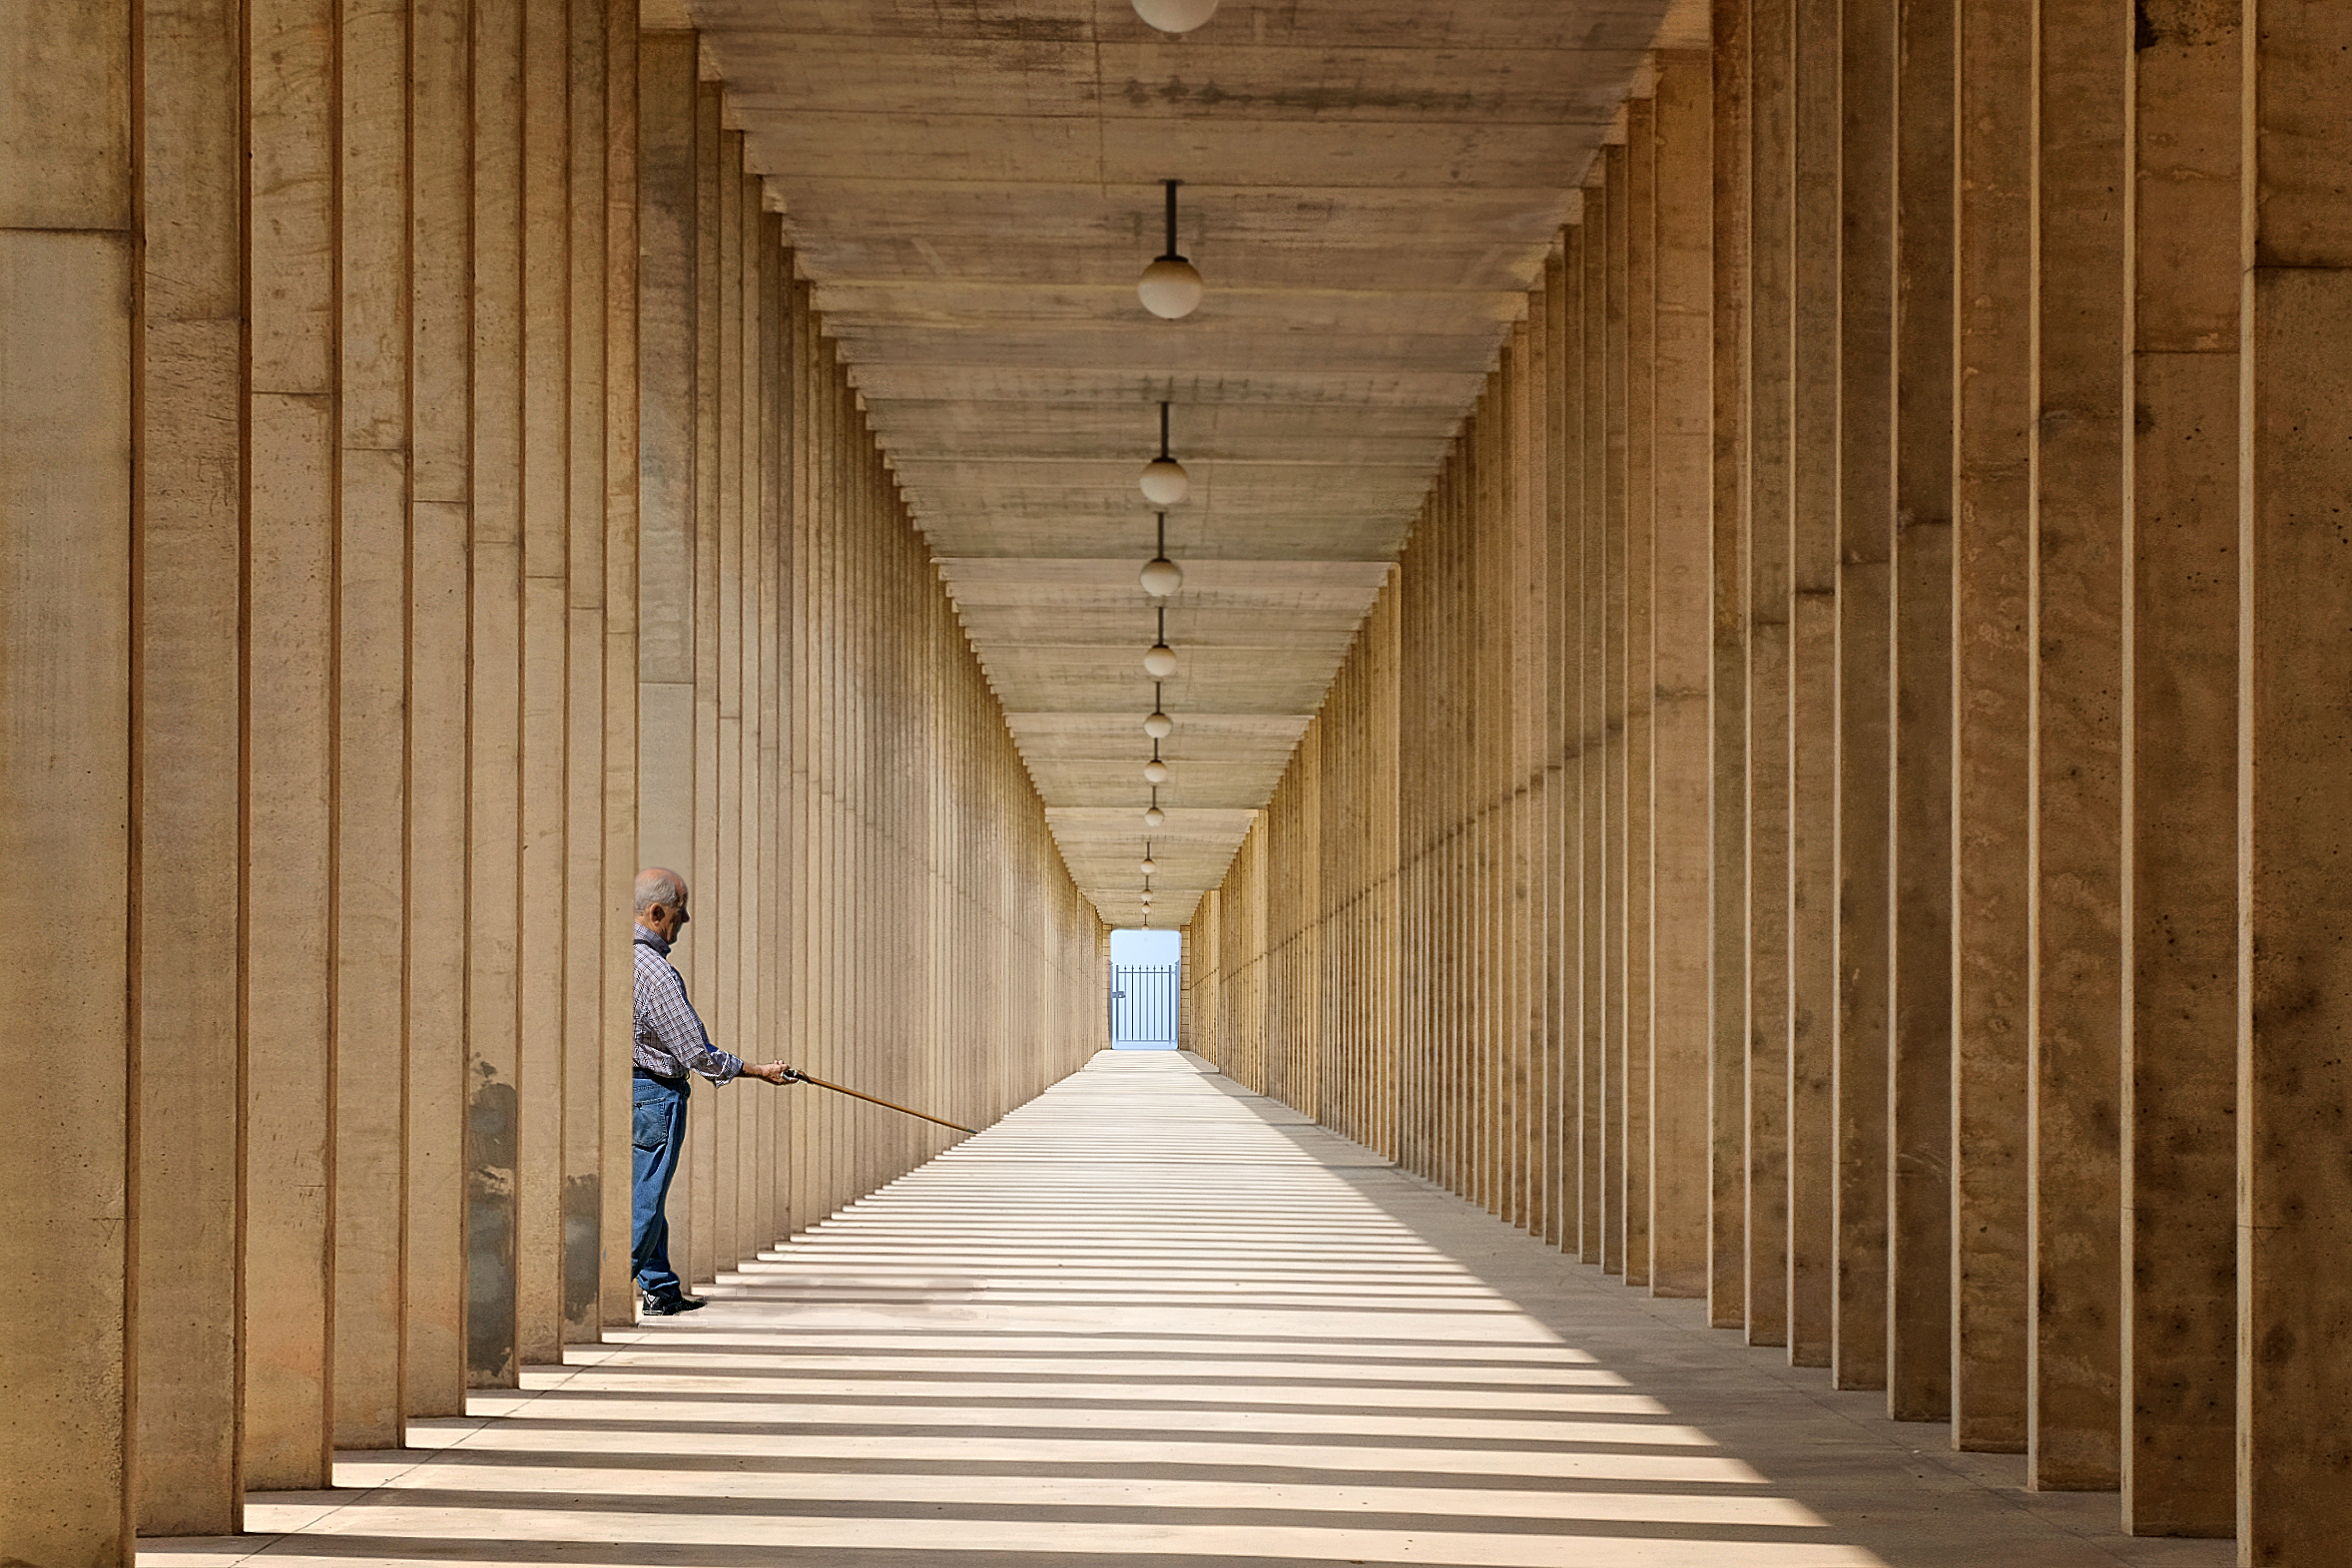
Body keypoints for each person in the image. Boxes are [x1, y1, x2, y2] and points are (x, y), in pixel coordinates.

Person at [631, 866, 795, 1317]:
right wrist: (758, 1070)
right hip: (654, 1097)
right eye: (680, 911)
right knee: (644, 1203)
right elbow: (693, 1051)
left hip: (627, 1091)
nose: (686, 920)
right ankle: (599, 1292)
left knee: (647, 1194)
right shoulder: (656, 974)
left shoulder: (615, 957)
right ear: (658, 911)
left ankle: (660, 1289)